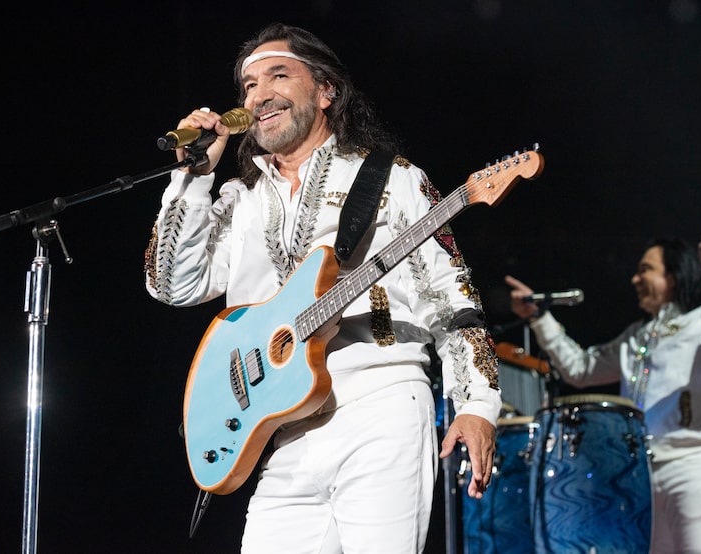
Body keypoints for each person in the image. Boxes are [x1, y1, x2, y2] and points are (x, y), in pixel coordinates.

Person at [143, 23, 501, 553]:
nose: (258, 94)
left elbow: (453, 296)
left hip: (382, 404)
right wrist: (193, 177)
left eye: (278, 76)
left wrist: (478, 404)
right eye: (247, 86)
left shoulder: (391, 178)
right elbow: (169, 284)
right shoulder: (239, 199)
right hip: (283, 430)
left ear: (326, 91)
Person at [505, 221, 701, 553]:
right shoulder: (637, 337)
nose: (635, 279)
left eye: (646, 270)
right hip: (638, 474)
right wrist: (540, 319)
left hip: (691, 465)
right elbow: (581, 369)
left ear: (673, 276)